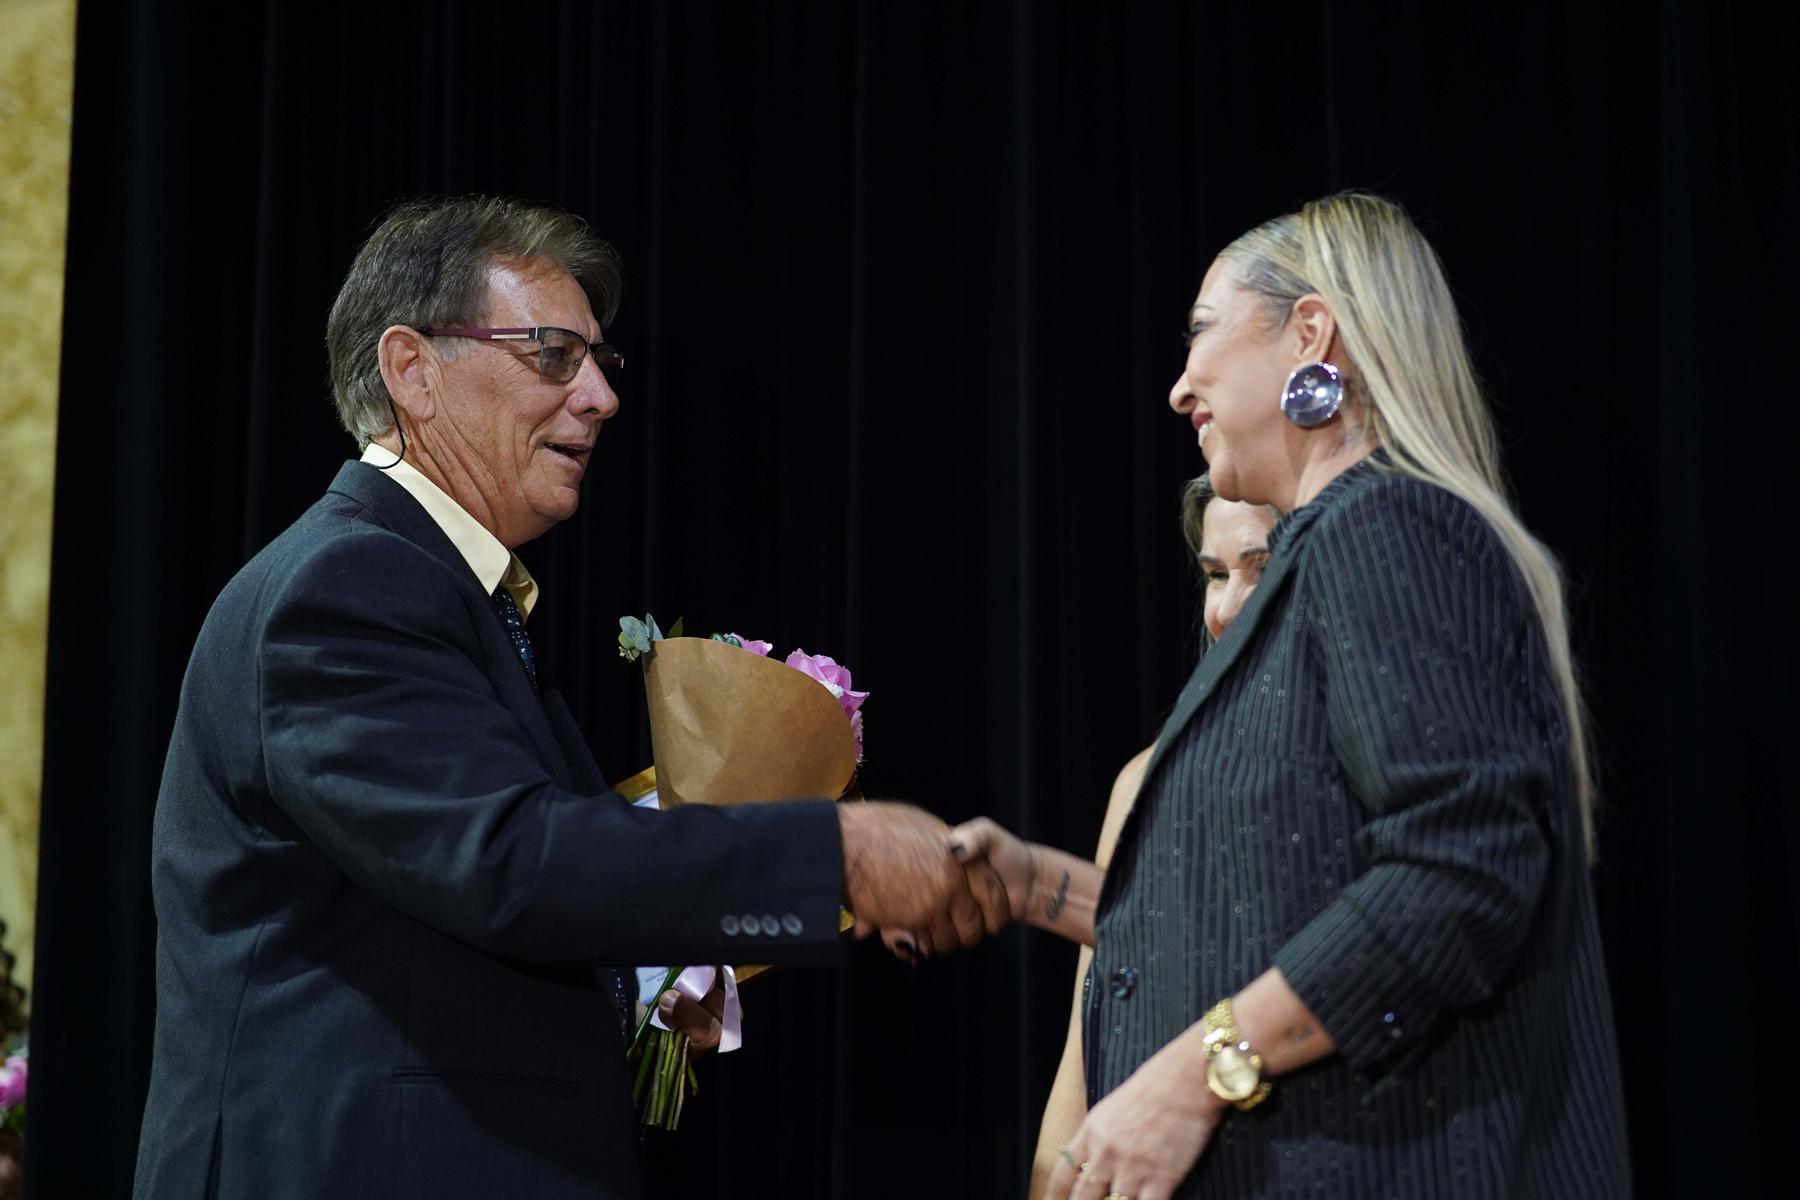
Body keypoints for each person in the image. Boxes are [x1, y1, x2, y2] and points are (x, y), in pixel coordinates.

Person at [132, 196, 1001, 1200]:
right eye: (553, 354)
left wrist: (643, 982)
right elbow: (505, 861)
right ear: (412, 370)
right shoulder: (348, 583)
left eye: (599, 360)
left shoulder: (440, 589)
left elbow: (452, 906)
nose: (601, 396)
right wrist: (831, 856)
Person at [953, 192, 1629, 1199]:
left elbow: (1463, 869)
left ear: (1311, 333)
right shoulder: (1335, 558)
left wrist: (1197, 1074)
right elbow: (1273, 905)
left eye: (1201, 332)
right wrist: (1037, 887)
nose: (1178, 387)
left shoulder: (1385, 525)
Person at [1030, 477, 1277, 1198]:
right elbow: (1084, 1051)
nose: (1225, 608)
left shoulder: (1359, 777)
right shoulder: (1141, 783)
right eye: (1216, 575)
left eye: (1261, 569)